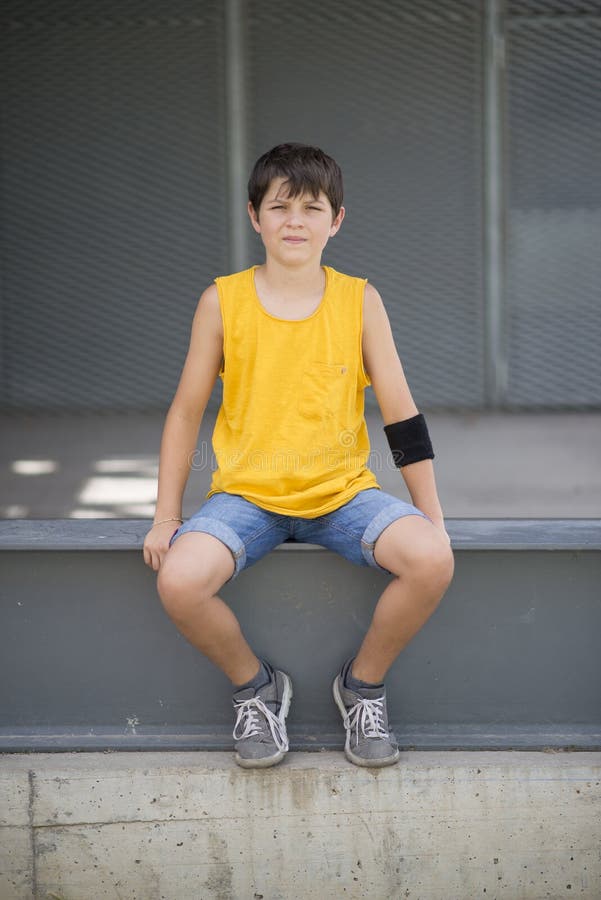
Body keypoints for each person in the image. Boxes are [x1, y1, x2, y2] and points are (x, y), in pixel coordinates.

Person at [143, 142, 454, 770]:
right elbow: (184, 412)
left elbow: (401, 412)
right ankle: (257, 690)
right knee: (178, 580)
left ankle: (361, 687)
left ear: (336, 220)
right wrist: (164, 515)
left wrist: (433, 516)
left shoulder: (359, 301)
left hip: (342, 496)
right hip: (246, 498)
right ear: (254, 216)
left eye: (312, 208)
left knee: (431, 559)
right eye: (279, 205)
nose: (294, 221)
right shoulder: (221, 302)